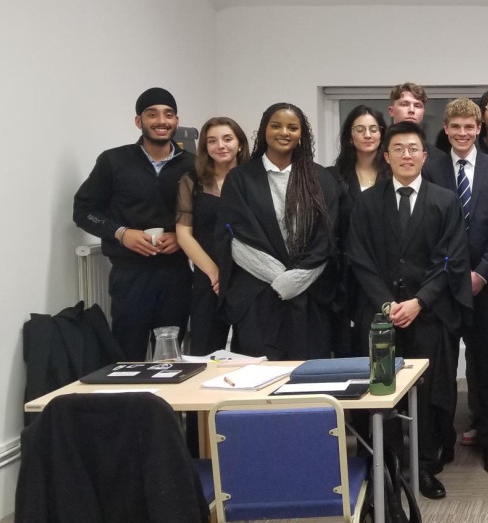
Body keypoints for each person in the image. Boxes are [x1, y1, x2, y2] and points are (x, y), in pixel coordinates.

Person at [346, 121, 473, 499]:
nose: (406, 155)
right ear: (386, 156)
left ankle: (425, 467)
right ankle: (387, 467)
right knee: (383, 393)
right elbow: (360, 258)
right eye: (398, 149)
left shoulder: (445, 200)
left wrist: (420, 301)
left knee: (432, 394)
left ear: (424, 155)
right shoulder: (367, 202)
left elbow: (451, 258)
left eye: (413, 148)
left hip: (431, 315)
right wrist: (387, 303)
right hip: (380, 317)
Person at [74, 87, 196, 361]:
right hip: (129, 276)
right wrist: (121, 233)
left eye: (168, 114)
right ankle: (130, 405)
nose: (161, 121)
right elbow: (84, 210)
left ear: (176, 121)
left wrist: (182, 237)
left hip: (175, 275)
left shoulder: (193, 165)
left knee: (172, 357)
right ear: (139, 121)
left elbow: (207, 216)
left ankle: (169, 405)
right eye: (152, 114)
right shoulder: (113, 161)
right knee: (128, 355)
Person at [424, 98, 488, 475]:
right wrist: (451, 275)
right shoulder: (431, 167)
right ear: (446, 129)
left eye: (468, 127)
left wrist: (482, 272)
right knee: (440, 367)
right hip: (442, 286)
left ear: (479, 129)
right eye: (455, 127)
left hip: (484, 286)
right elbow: (426, 230)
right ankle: (441, 442)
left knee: (484, 367)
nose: (462, 133)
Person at [217, 103, 340, 360]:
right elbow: (236, 237)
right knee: (259, 384)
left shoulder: (321, 179)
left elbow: (326, 236)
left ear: (301, 134)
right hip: (258, 296)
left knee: (308, 382)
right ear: (264, 130)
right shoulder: (240, 178)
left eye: (292, 127)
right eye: (276, 125)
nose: (284, 132)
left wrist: (297, 279)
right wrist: (279, 278)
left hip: (308, 296)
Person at [176, 116, 249, 355]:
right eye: (212, 141)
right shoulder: (191, 181)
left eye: (227, 139)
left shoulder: (254, 180)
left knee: (249, 351)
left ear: (239, 143)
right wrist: (215, 273)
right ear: (205, 147)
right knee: (204, 352)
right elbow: (184, 233)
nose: (221, 146)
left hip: (248, 275)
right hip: (208, 278)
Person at [327, 105, 390, 357]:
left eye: (373, 129)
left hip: (385, 276)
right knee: (350, 352)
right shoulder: (331, 177)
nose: (367, 135)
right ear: (349, 136)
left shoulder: (394, 177)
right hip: (345, 278)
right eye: (360, 129)